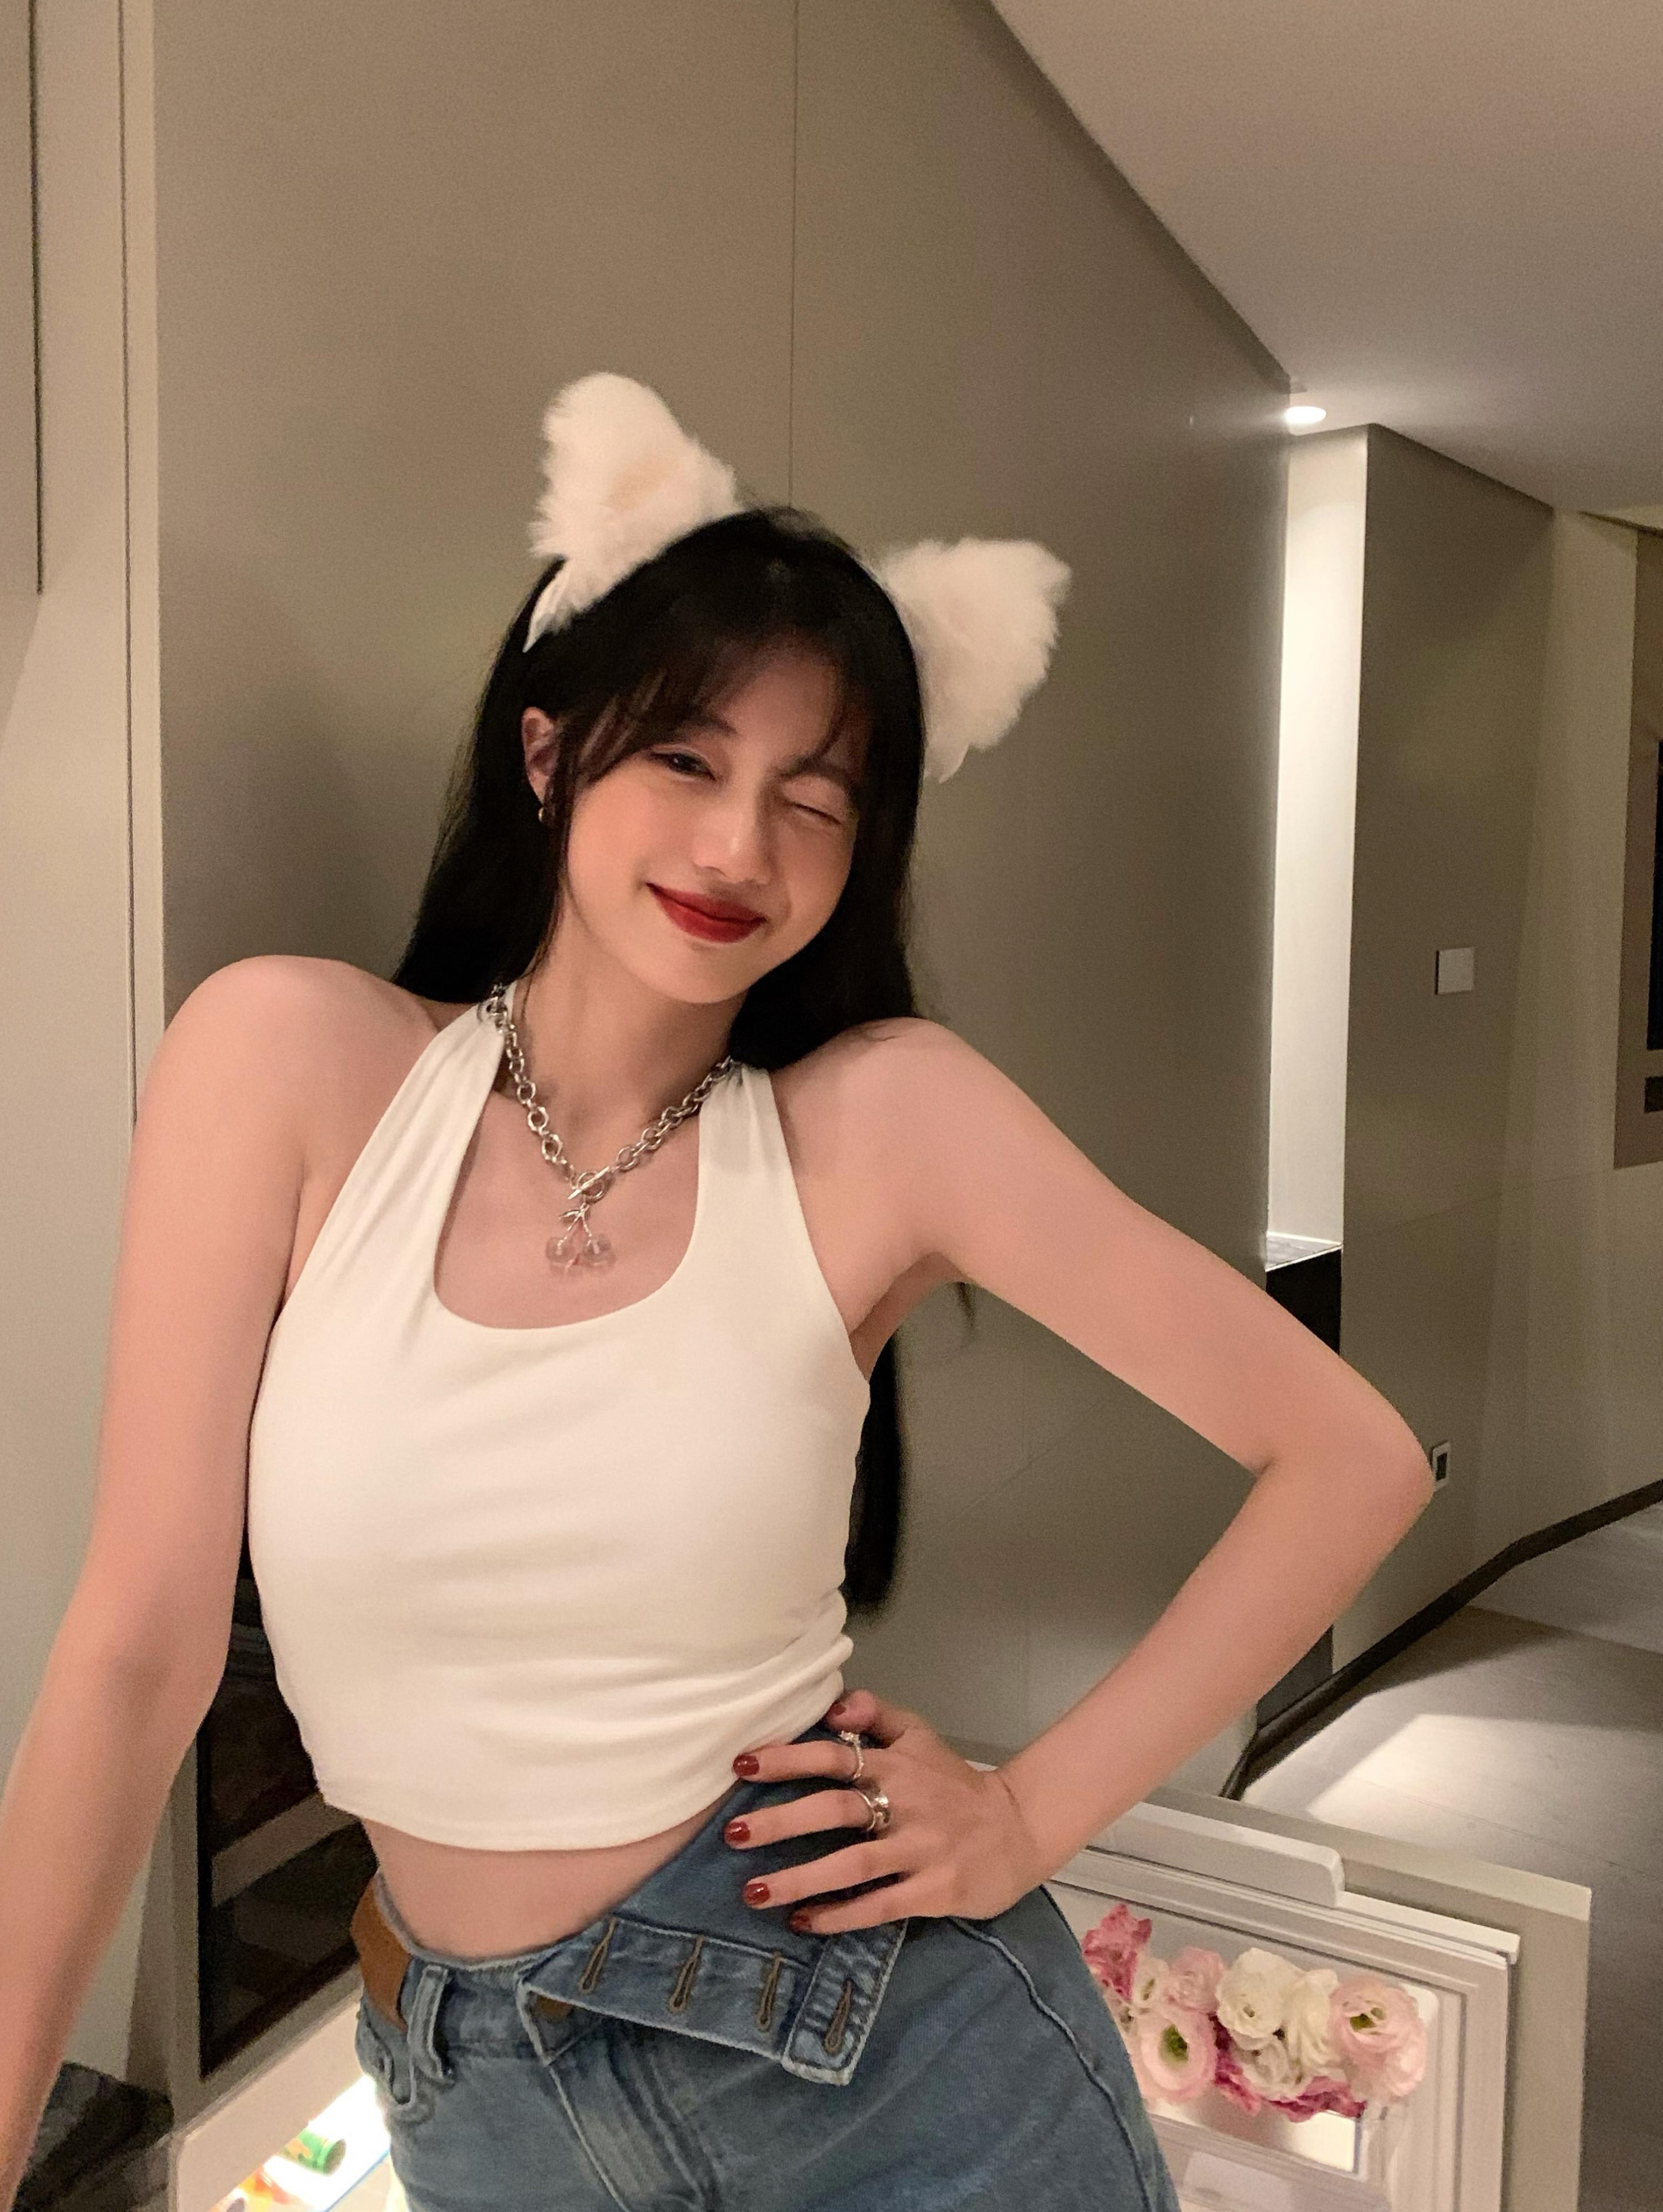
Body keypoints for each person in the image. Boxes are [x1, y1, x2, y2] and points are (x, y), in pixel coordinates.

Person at [0, 377, 1435, 2212]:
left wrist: (1027, 1811)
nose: (740, 848)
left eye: (811, 801)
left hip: (895, 2082)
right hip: (480, 2095)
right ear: (549, 757)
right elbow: (138, 1648)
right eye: (685, 760)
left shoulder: (885, 1124)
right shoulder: (287, 1060)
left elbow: (1351, 1459)